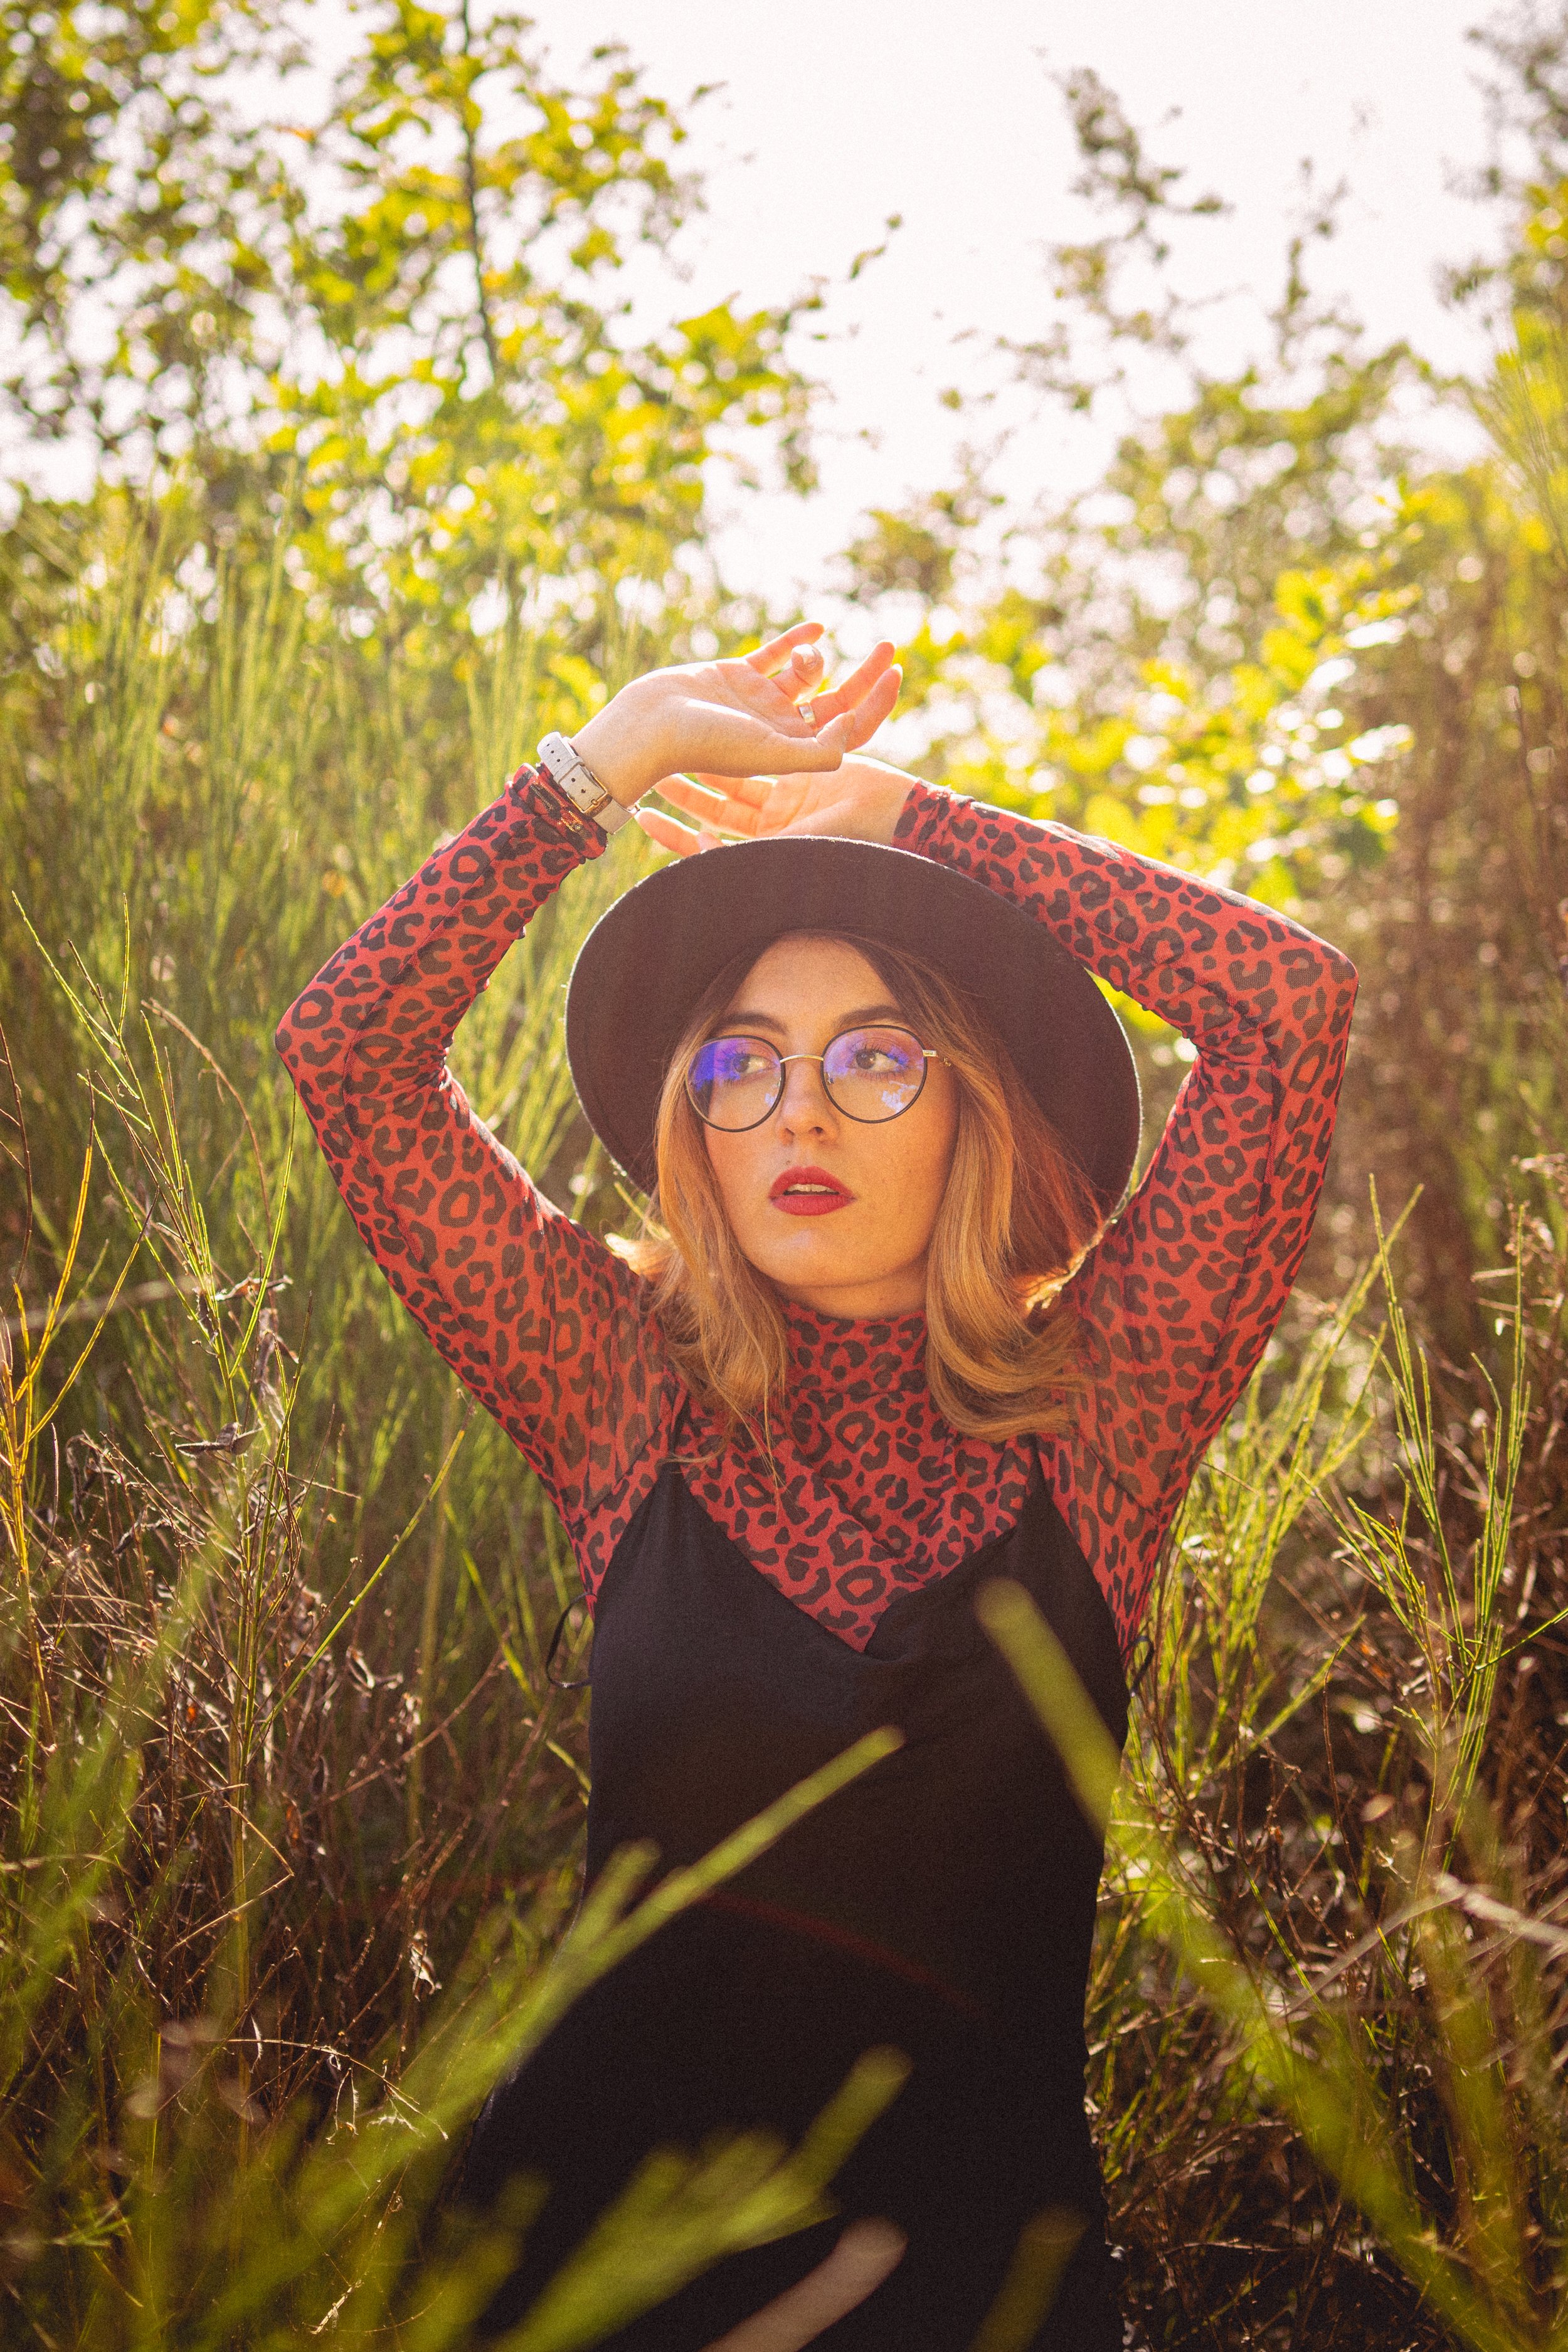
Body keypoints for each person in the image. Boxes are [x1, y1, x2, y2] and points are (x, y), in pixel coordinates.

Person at [275, 622, 1357, 2349]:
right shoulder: (620, 1390)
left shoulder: (1102, 1411)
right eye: (738, 1063)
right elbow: (348, 1060)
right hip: (591, 2265)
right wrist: (586, 775)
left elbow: (1284, 1007)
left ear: (971, 1105)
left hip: (977, 2276)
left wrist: (915, 823)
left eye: (871, 1054)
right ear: (690, 1126)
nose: (798, 1113)